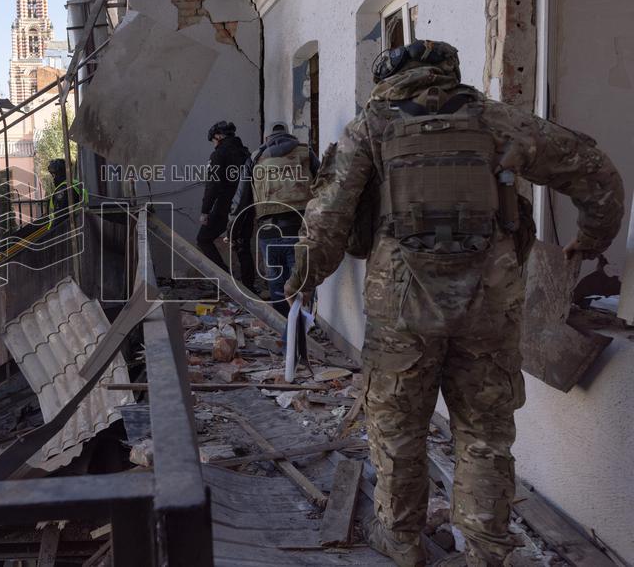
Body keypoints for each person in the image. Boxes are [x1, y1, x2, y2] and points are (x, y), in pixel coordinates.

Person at [283, 40, 624, 567]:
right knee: (485, 435)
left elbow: (326, 218)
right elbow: (593, 169)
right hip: (490, 309)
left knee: (398, 432)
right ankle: (487, 553)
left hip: (401, 312)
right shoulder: (496, 120)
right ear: (449, 71)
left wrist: (300, 283)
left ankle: (400, 543)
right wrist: (592, 240)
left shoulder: (370, 127)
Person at [228, 122, 318, 314]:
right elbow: (324, 188)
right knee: (300, 283)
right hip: (301, 229)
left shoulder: (255, 158)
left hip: (269, 233)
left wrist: (231, 230)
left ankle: (283, 327)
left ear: (266, 139)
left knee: (277, 285)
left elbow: (241, 199)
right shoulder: (306, 153)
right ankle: (300, 333)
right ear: (288, 135)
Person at [197, 121, 253, 287]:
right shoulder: (247, 153)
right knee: (243, 245)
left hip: (226, 207)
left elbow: (213, 185)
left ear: (219, 136)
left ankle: (227, 280)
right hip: (247, 206)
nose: (213, 144)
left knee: (203, 239)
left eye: (213, 140)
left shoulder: (219, 154)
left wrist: (205, 211)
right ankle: (248, 289)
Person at [46, 158, 86, 225]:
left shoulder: (63, 190)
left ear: (58, 174)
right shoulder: (76, 185)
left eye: (53, 175)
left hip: (67, 231)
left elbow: (59, 218)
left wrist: (51, 233)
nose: (53, 179)